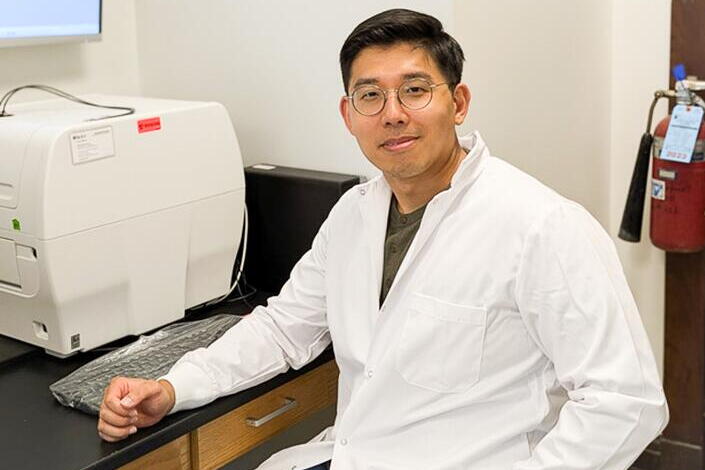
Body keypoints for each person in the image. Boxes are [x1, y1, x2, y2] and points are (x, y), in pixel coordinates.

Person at [98, 9, 668, 470]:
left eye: (415, 89)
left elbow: (626, 403)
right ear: (349, 115)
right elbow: (282, 329)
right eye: (370, 96)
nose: (392, 114)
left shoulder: (542, 226)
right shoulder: (354, 214)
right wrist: (174, 387)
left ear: (459, 102)